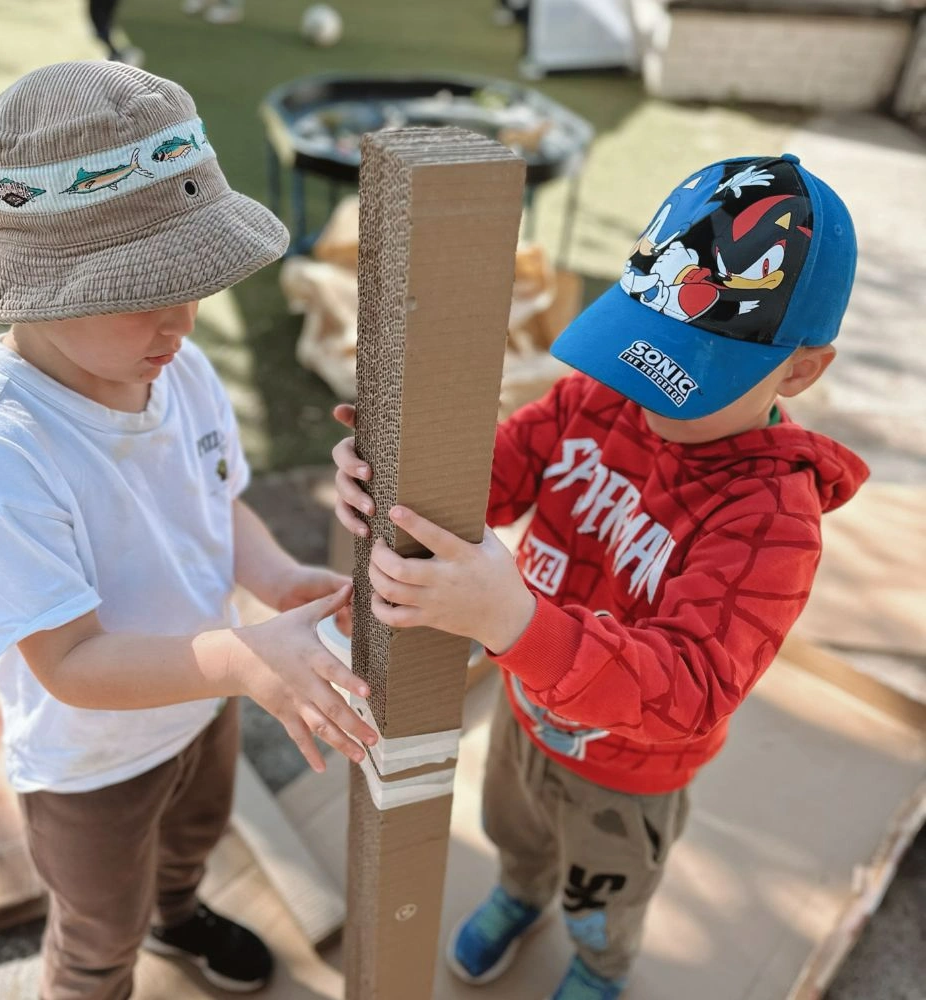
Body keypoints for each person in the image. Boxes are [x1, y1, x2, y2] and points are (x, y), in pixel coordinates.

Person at [331, 154, 869, 999]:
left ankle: (599, 964)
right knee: (516, 831)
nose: (647, 380)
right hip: (526, 710)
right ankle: (519, 893)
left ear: (798, 370)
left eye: (689, 365)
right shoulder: (602, 397)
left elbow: (692, 686)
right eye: (642, 342)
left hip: (632, 775)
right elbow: (497, 474)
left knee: (604, 893)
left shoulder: (773, 520)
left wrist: (514, 624)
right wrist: (387, 470)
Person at [0, 60, 377, 1000]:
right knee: (96, 932)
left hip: (203, 702)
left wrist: (279, 576)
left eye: (193, 283)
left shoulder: (175, 366)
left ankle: (179, 913)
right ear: (38, 287)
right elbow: (71, 662)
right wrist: (244, 661)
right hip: (87, 764)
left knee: (192, 843)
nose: (181, 318)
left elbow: (218, 498)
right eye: (146, 290)